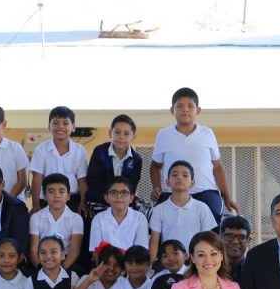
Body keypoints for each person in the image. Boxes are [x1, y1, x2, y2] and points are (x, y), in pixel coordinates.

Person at [149, 87, 236, 217]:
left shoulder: (207, 133)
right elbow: (155, 166)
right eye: (180, 106)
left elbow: (217, 166)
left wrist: (227, 196)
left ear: (198, 110)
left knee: (213, 219)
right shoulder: (163, 134)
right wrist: (157, 187)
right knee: (159, 218)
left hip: (205, 192)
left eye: (190, 106)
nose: (185, 109)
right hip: (172, 192)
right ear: (172, 110)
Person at [29, 106, 88, 209]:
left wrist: (83, 202)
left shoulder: (80, 150)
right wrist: (36, 205)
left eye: (65, 123)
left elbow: (82, 179)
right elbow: (37, 178)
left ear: (73, 127)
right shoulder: (41, 149)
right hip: (47, 200)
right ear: (49, 127)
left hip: (73, 200)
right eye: (55, 123)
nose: (60, 127)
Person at [85, 113, 143, 213]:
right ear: (110, 133)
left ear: (133, 136)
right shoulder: (100, 151)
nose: (121, 137)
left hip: (123, 201)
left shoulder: (136, 159)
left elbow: (132, 185)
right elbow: (93, 181)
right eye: (117, 132)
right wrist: (111, 198)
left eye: (126, 134)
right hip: (101, 200)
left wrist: (120, 199)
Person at [88, 177, 148, 258]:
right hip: (105, 264)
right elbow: (95, 251)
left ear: (131, 198)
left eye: (124, 192)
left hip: (132, 264)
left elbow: (140, 251)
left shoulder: (140, 219)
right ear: (106, 198)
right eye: (113, 192)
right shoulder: (98, 219)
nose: (119, 196)